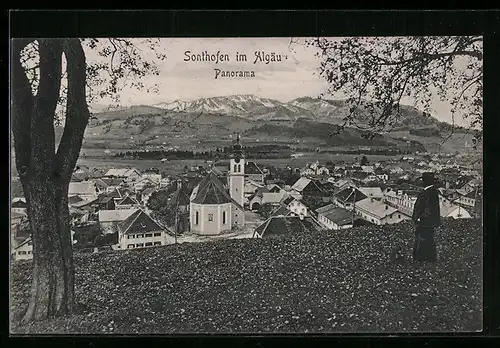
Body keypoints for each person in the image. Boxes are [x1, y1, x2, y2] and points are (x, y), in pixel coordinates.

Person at [411, 172, 441, 263]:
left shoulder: (430, 192)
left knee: (424, 240)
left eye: (422, 180)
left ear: (425, 181)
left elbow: (429, 209)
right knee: (425, 239)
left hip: (426, 222)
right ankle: (427, 259)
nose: (421, 182)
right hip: (427, 222)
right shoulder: (429, 191)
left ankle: (423, 260)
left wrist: (421, 218)